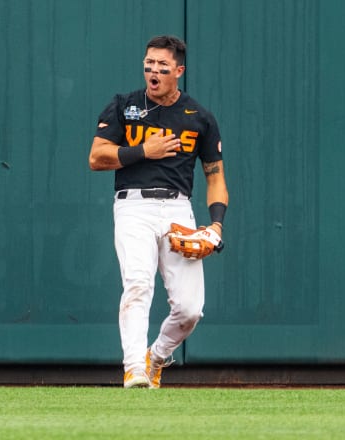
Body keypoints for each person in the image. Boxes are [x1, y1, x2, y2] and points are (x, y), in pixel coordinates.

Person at [88, 35, 228, 389]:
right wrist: (142, 151)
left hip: (178, 209)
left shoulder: (199, 117)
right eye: (149, 63)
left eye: (162, 66)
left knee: (190, 309)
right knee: (137, 284)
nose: (153, 71)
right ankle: (134, 367)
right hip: (133, 205)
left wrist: (215, 225)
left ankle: (157, 357)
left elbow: (216, 177)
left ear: (178, 71)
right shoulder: (124, 105)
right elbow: (96, 158)